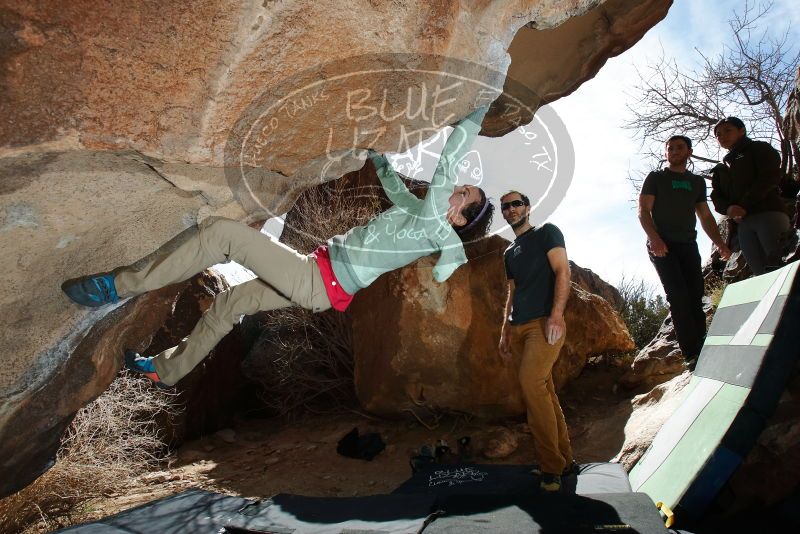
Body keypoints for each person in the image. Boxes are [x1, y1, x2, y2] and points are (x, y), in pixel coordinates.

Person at [63, 106, 495, 387]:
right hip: (319, 277)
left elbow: (448, 163)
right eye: (463, 188)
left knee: (221, 234)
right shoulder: (421, 216)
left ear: (459, 218)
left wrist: (478, 111)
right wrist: (376, 154)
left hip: (317, 281)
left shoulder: (434, 224)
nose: (456, 189)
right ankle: (166, 368)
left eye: (464, 195)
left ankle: (117, 287)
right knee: (230, 302)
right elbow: (396, 189)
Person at [497, 190, 576, 492]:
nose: (511, 209)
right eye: (505, 206)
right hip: (518, 329)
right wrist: (504, 328)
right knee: (544, 391)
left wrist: (557, 314)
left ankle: (550, 467)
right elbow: (512, 292)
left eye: (516, 203)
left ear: (528, 208)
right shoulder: (509, 252)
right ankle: (564, 460)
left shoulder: (547, 233)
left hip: (544, 324)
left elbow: (562, 270)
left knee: (531, 384)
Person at [639, 135, 731, 367]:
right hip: (662, 244)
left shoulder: (697, 182)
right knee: (678, 297)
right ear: (665, 154)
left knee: (695, 296)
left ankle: (703, 345)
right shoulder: (656, 178)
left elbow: (705, 216)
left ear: (689, 152)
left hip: (688, 244)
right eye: (670, 148)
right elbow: (643, 211)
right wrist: (654, 238)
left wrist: (720, 243)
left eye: (680, 147)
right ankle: (691, 354)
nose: (674, 151)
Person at [710, 116, 790, 275]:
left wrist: (743, 205)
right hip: (743, 224)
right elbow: (716, 197)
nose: (722, 136)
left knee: (782, 268)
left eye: (727, 130)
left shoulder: (759, 148)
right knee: (760, 273)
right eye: (718, 134)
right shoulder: (722, 168)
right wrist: (729, 208)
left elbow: (770, 177)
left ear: (741, 131)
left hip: (768, 213)